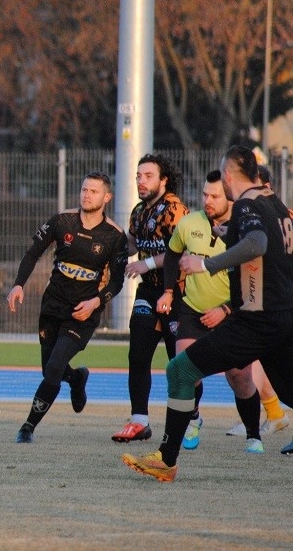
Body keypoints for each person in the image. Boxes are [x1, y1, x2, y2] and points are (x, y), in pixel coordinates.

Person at [123, 146, 293, 482]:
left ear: (228, 175)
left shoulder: (245, 204)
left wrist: (206, 264)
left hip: (255, 320)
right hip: (284, 315)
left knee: (180, 371)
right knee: (288, 390)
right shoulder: (275, 203)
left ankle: (166, 460)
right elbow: (270, 248)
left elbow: (257, 244)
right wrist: (232, 239)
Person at [6, 172, 129, 443]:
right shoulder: (62, 221)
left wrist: (96, 302)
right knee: (50, 370)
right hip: (52, 306)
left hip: (82, 313)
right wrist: (18, 285)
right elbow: (33, 253)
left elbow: (117, 282)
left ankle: (27, 427)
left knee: (53, 368)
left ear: (106, 197)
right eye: (84, 189)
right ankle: (76, 378)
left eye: (94, 191)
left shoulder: (114, 236)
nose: (87, 195)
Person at [156, 170, 261, 452]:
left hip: (234, 315)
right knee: (185, 369)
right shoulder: (189, 223)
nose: (207, 200)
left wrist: (225, 309)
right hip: (193, 311)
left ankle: (254, 435)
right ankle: (192, 419)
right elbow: (172, 255)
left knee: (239, 377)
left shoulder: (246, 230)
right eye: (204, 194)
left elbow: (254, 280)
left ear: (229, 197)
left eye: (214, 196)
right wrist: (168, 291)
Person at [112, 154, 188, 443]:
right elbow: (133, 243)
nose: (141, 181)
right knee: (138, 355)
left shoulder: (175, 210)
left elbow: (179, 251)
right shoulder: (139, 211)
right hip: (148, 291)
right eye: (138, 176)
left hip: (176, 292)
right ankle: (139, 421)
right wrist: (111, 249)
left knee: (178, 362)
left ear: (163, 180)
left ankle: (192, 416)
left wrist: (147, 263)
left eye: (148, 176)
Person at [223, 164, 290, 437]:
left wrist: (207, 265)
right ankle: (270, 416)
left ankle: (264, 418)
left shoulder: (269, 213)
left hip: (275, 308)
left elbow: (262, 248)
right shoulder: (276, 214)